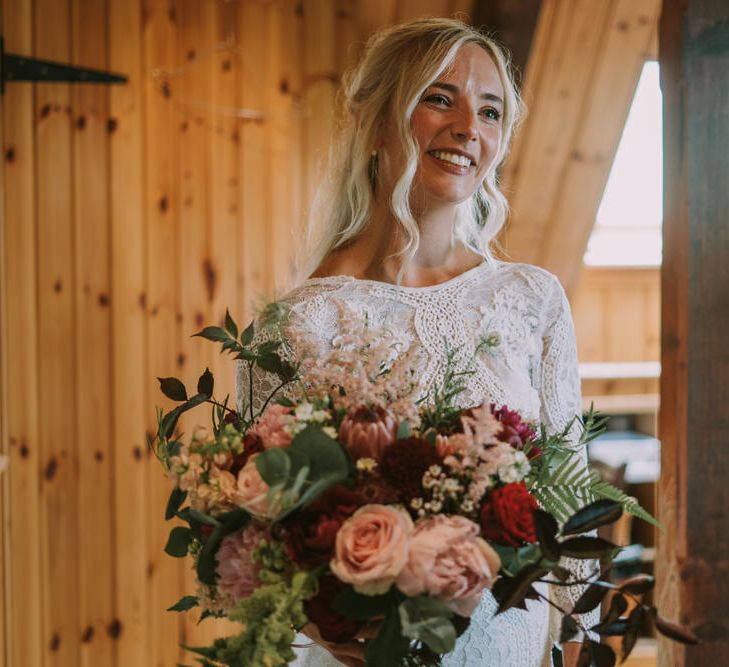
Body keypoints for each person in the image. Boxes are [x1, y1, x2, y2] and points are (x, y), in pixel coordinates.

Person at [238, 17, 597, 667]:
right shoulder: (292, 324)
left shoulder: (530, 299)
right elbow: (251, 534)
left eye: (489, 111)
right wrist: (322, 628)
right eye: (440, 97)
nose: (467, 127)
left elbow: (567, 498)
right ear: (375, 120)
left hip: (503, 645)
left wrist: (571, 642)